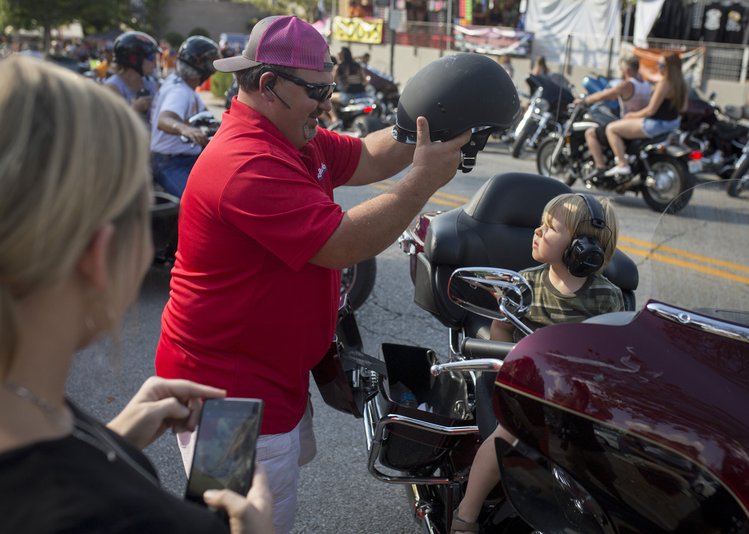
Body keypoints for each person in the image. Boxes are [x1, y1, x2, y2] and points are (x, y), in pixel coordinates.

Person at [154, 15, 471, 534]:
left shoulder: (294, 136)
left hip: (267, 376)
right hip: (226, 397)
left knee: (251, 509)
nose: (327, 102)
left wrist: (431, 126)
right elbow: (341, 243)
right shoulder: (246, 162)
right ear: (267, 84)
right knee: (242, 522)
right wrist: (421, 185)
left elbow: (369, 155)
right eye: (318, 90)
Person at [0, 55, 272, 534]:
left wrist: (112, 441)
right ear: (97, 254)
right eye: (147, 214)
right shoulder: (121, 519)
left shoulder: (26, 397)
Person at [451, 193, 623, 534]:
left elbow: (611, 354)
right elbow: (501, 340)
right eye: (541, 224)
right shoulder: (526, 283)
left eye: (550, 227)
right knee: (508, 436)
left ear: (582, 247)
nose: (537, 231)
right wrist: (501, 326)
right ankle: (465, 514)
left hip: (576, 395)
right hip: (528, 386)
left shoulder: (607, 296)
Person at [150, 35, 221, 197]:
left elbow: (207, 119)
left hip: (184, 158)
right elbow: (164, 119)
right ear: (199, 63)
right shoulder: (180, 92)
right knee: (196, 201)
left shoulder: (181, 84)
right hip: (171, 162)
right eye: (210, 61)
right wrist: (185, 129)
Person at [602, 52, 688, 178]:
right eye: (658, 64)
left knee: (611, 128)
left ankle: (622, 164)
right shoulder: (682, 84)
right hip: (673, 124)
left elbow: (650, 111)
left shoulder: (664, 84)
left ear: (670, 67)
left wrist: (631, 115)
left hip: (656, 124)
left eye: (661, 65)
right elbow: (683, 108)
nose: (658, 67)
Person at [583, 56, 653, 173]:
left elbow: (604, 95)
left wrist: (585, 100)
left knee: (590, 133)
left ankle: (602, 167)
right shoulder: (646, 85)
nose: (621, 71)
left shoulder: (627, 85)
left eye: (622, 69)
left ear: (627, 70)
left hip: (628, 123)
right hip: (640, 123)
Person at [105, 31, 160, 120]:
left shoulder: (150, 83)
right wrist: (134, 109)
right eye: (151, 58)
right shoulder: (112, 87)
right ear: (134, 59)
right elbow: (109, 123)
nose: (155, 63)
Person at [328, 46, 368, 129]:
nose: (337, 56)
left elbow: (331, 82)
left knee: (326, 98)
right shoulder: (357, 65)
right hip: (363, 95)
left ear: (342, 56)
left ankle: (334, 119)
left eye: (339, 54)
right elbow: (365, 81)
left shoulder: (338, 67)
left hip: (347, 96)